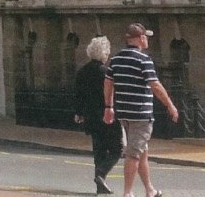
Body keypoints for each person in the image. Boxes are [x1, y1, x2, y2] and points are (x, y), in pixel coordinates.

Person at [103, 23, 179, 197]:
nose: (147, 40)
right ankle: (127, 193)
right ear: (140, 38)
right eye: (145, 36)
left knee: (141, 152)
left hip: (124, 112)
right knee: (134, 155)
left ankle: (149, 190)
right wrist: (170, 105)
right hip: (141, 114)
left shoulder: (116, 59)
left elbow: (108, 83)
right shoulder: (144, 60)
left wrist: (109, 106)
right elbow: (155, 85)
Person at [73, 35, 121, 195]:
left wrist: (78, 113)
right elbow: (112, 93)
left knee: (99, 150)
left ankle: (100, 184)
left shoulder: (82, 72)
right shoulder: (106, 72)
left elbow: (78, 94)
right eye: (107, 52)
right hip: (106, 115)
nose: (108, 55)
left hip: (90, 117)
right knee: (117, 149)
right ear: (103, 54)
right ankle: (101, 174)